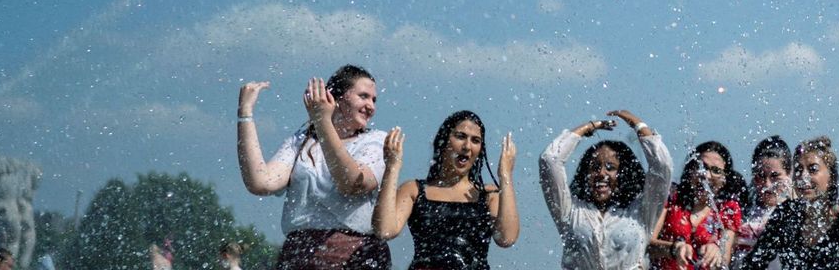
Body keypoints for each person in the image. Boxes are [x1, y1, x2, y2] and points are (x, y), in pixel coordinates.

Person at [237, 67, 391, 270]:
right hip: (300, 255)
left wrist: (322, 122)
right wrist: (245, 114)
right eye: (363, 96)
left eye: (374, 100)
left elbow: (351, 183)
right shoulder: (301, 141)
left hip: (356, 256)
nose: (370, 106)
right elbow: (260, 182)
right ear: (335, 98)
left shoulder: (376, 141)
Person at [372, 111, 521, 270]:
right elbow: (384, 230)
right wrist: (392, 168)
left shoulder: (488, 195)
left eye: (475, 140)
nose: (467, 146)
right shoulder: (414, 190)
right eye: (460, 136)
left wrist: (505, 175)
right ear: (444, 141)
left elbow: (507, 238)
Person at [537, 109, 673, 270]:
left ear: (624, 174)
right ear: (585, 174)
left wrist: (638, 125)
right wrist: (587, 128)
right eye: (595, 167)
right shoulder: (570, 211)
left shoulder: (641, 211)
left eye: (610, 167)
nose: (601, 173)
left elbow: (662, 165)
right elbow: (550, 160)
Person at [740, 136, 839, 270]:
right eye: (799, 170)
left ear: (831, 176)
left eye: (813, 169)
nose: (803, 176)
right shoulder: (786, 214)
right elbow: (753, 263)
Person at [650, 157, 730, 270]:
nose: (706, 175)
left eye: (716, 171)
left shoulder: (727, 209)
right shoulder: (671, 197)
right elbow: (646, 245)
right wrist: (673, 248)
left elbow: (725, 260)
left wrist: (717, 251)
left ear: (724, 179)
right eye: (701, 167)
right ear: (690, 171)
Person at [733, 138, 793, 259]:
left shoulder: (795, 215)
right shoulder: (741, 212)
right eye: (760, 176)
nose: (767, 185)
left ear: (789, 174)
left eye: (775, 176)